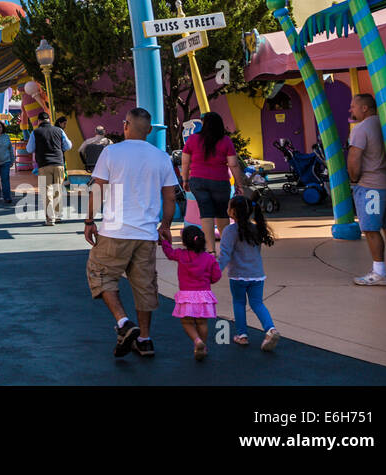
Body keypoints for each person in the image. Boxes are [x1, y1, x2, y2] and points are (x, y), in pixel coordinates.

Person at [85, 107, 179, 358]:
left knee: (100, 274)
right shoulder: (162, 158)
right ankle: (145, 340)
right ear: (149, 131)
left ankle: (123, 322)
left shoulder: (111, 152)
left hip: (114, 231)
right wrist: (165, 226)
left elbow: (98, 189)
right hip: (146, 234)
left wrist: (89, 221)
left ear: (126, 125)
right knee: (144, 287)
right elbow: (170, 197)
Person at [220, 194, 280, 351]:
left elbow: (225, 255)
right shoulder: (255, 228)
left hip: (238, 275)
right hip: (257, 274)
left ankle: (242, 335)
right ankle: (270, 329)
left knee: (239, 303)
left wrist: (215, 271)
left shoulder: (229, 231)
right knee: (257, 303)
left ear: (233, 211)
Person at [347, 93, 386, 286]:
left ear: (364, 108)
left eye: (353, 106)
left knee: (370, 229)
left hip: (370, 187)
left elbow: (354, 157)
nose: (350, 110)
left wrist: (354, 179)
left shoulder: (361, 129)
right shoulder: (385, 124)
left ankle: (379, 272)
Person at [180, 111, 245, 254]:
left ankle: (210, 250)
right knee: (222, 213)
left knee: (206, 214)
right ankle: (226, 248)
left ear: (204, 124)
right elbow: (233, 164)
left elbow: (185, 161)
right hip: (220, 182)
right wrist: (239, 184)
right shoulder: (225, 140)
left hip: (198, 181)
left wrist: (185, 179)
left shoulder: (193, 139)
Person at [159, 224, 221, 361]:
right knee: (202, 323)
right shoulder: (209, 258)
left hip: (187, 295)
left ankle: (196, 340)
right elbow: (216, 276)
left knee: (187, 322)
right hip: (203, 295)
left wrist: (164, 241)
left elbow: (169, 253)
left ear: (184, 242)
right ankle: (203, 346)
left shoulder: (181, 255)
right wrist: (208, 281)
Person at [26, 111, 72, 225]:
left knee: (47, 191)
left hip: (44, 164)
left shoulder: (35, 132)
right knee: (58, 190)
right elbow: (68, 146)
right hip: (59, 164)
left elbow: (29, 149)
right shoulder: (59, 130)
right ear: (49, 120)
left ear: (39, 121)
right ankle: (58, 216)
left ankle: (50, 218)